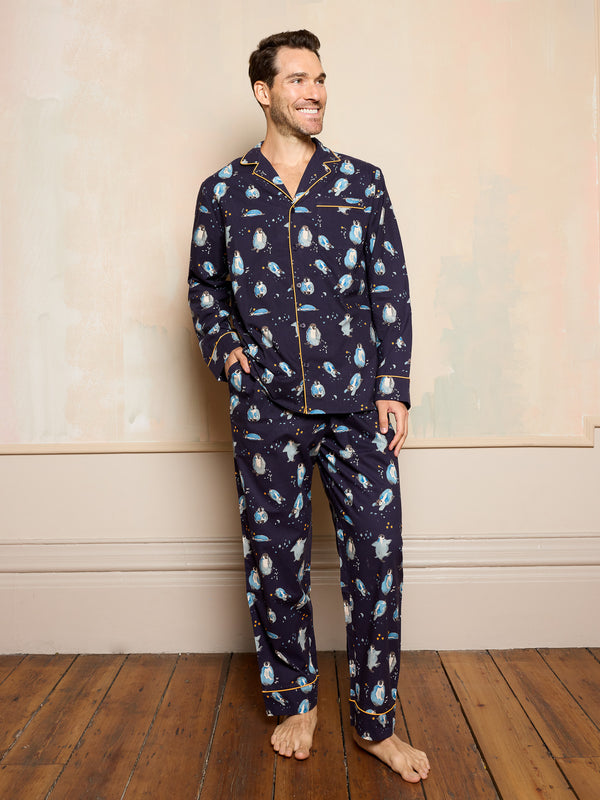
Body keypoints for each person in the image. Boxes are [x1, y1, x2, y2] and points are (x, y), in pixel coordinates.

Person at [188, 29, 430, 783]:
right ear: (264, 92)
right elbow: (204, 287)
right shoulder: (224, 192)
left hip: (358, 406)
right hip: (266, 410)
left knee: (376, 565)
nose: (315, 91)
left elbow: (388, 285)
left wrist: (393, 384)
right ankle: (295, 700)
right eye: (297, 79)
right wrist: (230, 353)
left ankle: (374, 719)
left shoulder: (363, 182)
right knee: (276, 563)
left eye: (320, 78)